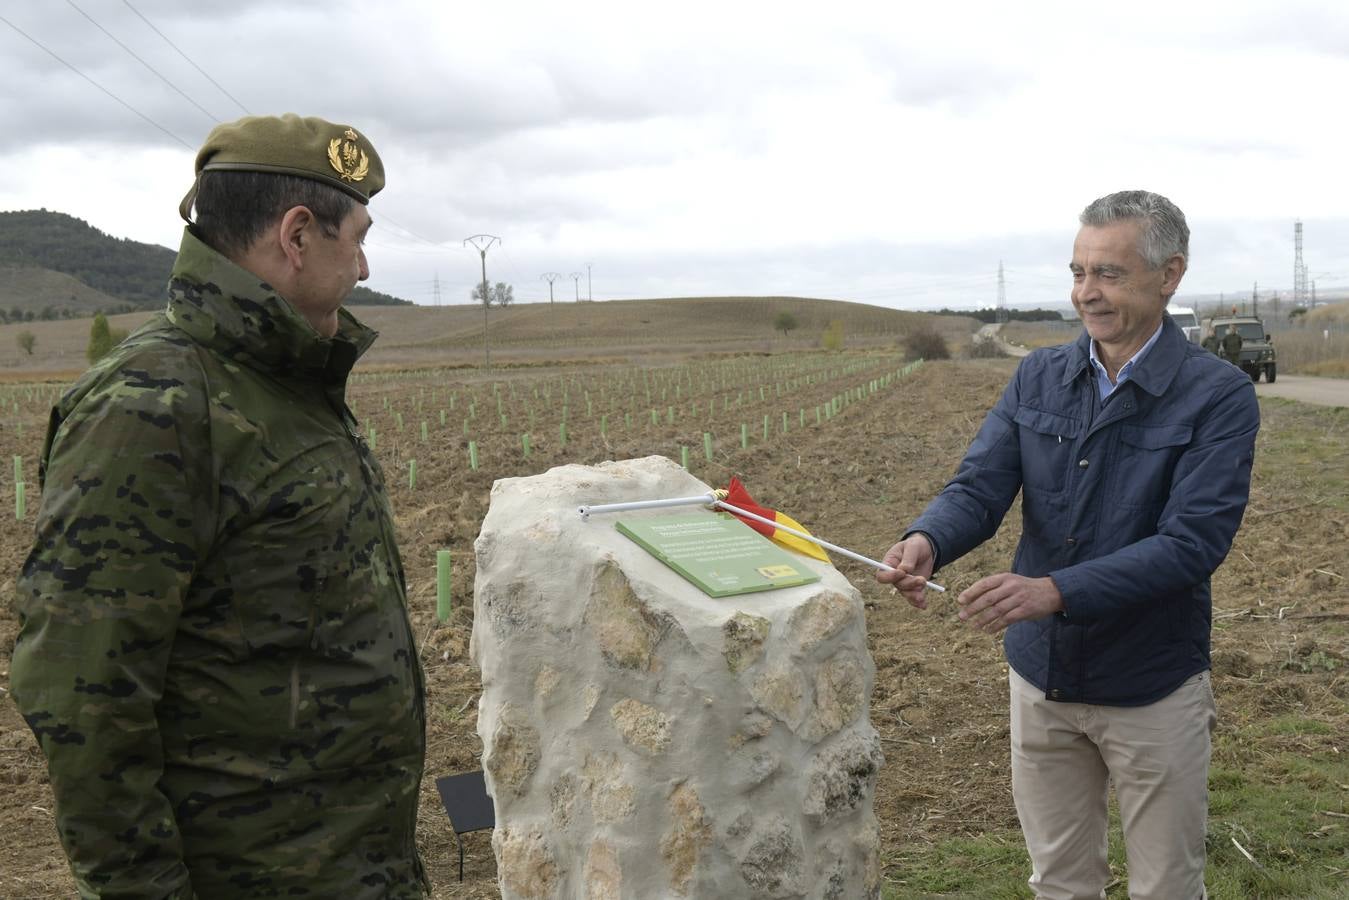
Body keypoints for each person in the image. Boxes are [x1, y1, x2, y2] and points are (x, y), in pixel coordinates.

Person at [10, 115, 427, 898]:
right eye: (357, 238)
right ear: (297, 235)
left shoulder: (283, 382)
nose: (366, 266)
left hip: (351, 866)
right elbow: (85, 697)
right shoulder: (155, 405)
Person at [877, 190, 1258, 899]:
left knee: (1165, 887)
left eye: (1108, 273)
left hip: (1151, 683)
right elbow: (980, 485)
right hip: (1040, 679)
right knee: (1058, 880)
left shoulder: (1218, 396)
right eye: (1078, 272)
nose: (1087, 293)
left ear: (1168, 273)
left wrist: (1054, 591)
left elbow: (1191, 543)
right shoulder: (1038, 376)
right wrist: (928, 538)